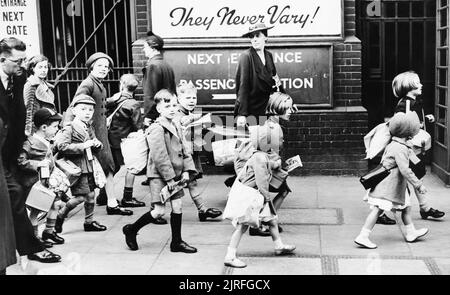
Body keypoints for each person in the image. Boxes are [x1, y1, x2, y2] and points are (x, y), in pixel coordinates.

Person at [0, 37, 60, 264]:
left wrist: (23, 144)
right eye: (18, 61)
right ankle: (31, 247)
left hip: (13, 150)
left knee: (19, 196)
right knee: (14, 196)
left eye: (24, 60)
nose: (22, 65)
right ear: (3, 59)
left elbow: (20, 113)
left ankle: (27, 245)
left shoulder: (18, 76)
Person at [122, 89, 198, 253]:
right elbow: (159, 156)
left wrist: (187, 171)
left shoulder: (176, 124)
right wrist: (170, 179)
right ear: (159, 109)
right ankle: (131, 229)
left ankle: (176, 242)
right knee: (158, 211)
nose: (172, 109)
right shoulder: (157, 128)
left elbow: (184, 149)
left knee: (177, 207)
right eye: (167, 106)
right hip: (159, 176)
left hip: (175, 175)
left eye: (174, 105)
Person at [224, 122, 296, 268]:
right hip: (251, 197)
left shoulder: (260, 155)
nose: (281, 142)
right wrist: (266, 198)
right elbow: (261, 179)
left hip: (254, 195)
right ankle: (230, 256)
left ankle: (279, 246)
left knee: (272, 220)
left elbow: (266, 164)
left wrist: (275, 164)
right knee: (242, 226)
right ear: (267, 141)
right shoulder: (259, 157)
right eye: (279, 139)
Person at [376, 71, 445, 225]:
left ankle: (425, 208)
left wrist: (426, 118)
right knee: (400, 179)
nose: (421, 85)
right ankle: (380, 212)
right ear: (408, 86)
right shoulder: (405, 104)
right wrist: (417, 125)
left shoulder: (414, 101)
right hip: (407, 148)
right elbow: (400, 124)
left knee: (416, 175)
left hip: (412, 147)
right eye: (417, 83)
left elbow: (413, 120)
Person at [354, 112, 429, 249]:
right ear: (407, 132)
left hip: (396, 185)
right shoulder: (400, 148)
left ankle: (411, 232)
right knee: (377, 210)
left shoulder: (396, 143)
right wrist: (418, 185)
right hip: (389, 185)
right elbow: (405, 170)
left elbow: (411, 159)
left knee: (406, 207)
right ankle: (363, 236)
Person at [73, 52, 132, 216]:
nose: (103, 69)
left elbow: (99, 103)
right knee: (107, 165)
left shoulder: (98, 84)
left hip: (100, 131)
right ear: (91, 67)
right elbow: (76, 105)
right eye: (99, 65)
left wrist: (113, 100)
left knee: (109, 165)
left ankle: (105, 198)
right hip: (93, 132)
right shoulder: (88, 84)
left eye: (106, 67)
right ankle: (111, 203)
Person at [54, 94, 107, 233]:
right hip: (77, 167)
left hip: (89, 165)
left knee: (90, 195)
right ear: (74, 111)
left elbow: (93, 142)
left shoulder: (89, 127)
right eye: (83, 109)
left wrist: (97, 144)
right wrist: (83, 146)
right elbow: (62, 146)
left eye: (90, 110)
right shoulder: (69, 128)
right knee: (81, 197)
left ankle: (88, 222)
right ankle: (60, 215)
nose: (87, 113)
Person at [246, 92, 295, 236]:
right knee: (266, 195)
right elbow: (262, 151)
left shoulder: (272, 125)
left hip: (269, 166)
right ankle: (261, 223)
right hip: (266, 168)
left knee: (281, 191)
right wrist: (276, 161)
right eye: (287, 108)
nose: (290, 112)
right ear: (277, 108)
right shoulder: (272, 127)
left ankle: (265, 221)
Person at [174, 81, 222, 221]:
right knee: (170, 184)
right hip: (178, 155)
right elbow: (180, 122)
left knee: (192, 182)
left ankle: (202, 210)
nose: (191, 101)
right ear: (178, 99)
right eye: (187, 98)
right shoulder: (177, 112)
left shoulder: (191, 112)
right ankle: (155, 210)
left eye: (194, 98)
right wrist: (190, 119)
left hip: (188, 154)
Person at [17, 108, 66, 248]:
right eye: (55, 127)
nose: (57, 129)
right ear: (44, 127)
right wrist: (37, 164)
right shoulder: (30, 143)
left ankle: (49, 232)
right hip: (35, 183)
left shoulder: (46, 140)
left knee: (55, 204)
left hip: (48, 182)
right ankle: (34, 237)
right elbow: (21, 161)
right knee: (36, 210)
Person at [106, 74, 145, 208]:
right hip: (125, 140)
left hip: (111, 138)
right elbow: (137, 125)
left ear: (122, 84)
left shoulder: (113, 99)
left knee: (114, 167)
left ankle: (103, 195)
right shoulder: (133, 104)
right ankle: (127, 197)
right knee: (132, 167)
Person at [234, 23, 283, 128]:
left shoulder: (269, 56)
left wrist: (286, 101)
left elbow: (275, 80)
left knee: (269, 142)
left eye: (257, 36)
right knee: (252, 143)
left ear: (265, 37)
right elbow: (243, 87)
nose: (254, 39)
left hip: (267, 110)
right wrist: (242, 114)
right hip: (251, 111)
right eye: (252, 37)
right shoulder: (246, 56)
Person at [23, 55, 56, 136]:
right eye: (40, 67)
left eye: (45, 67)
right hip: (36, 128)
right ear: (33, 68)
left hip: (48, 125)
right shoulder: (31, 85)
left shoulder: (47, 86)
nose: (44, 70)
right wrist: (28, 131)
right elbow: (28, 109)